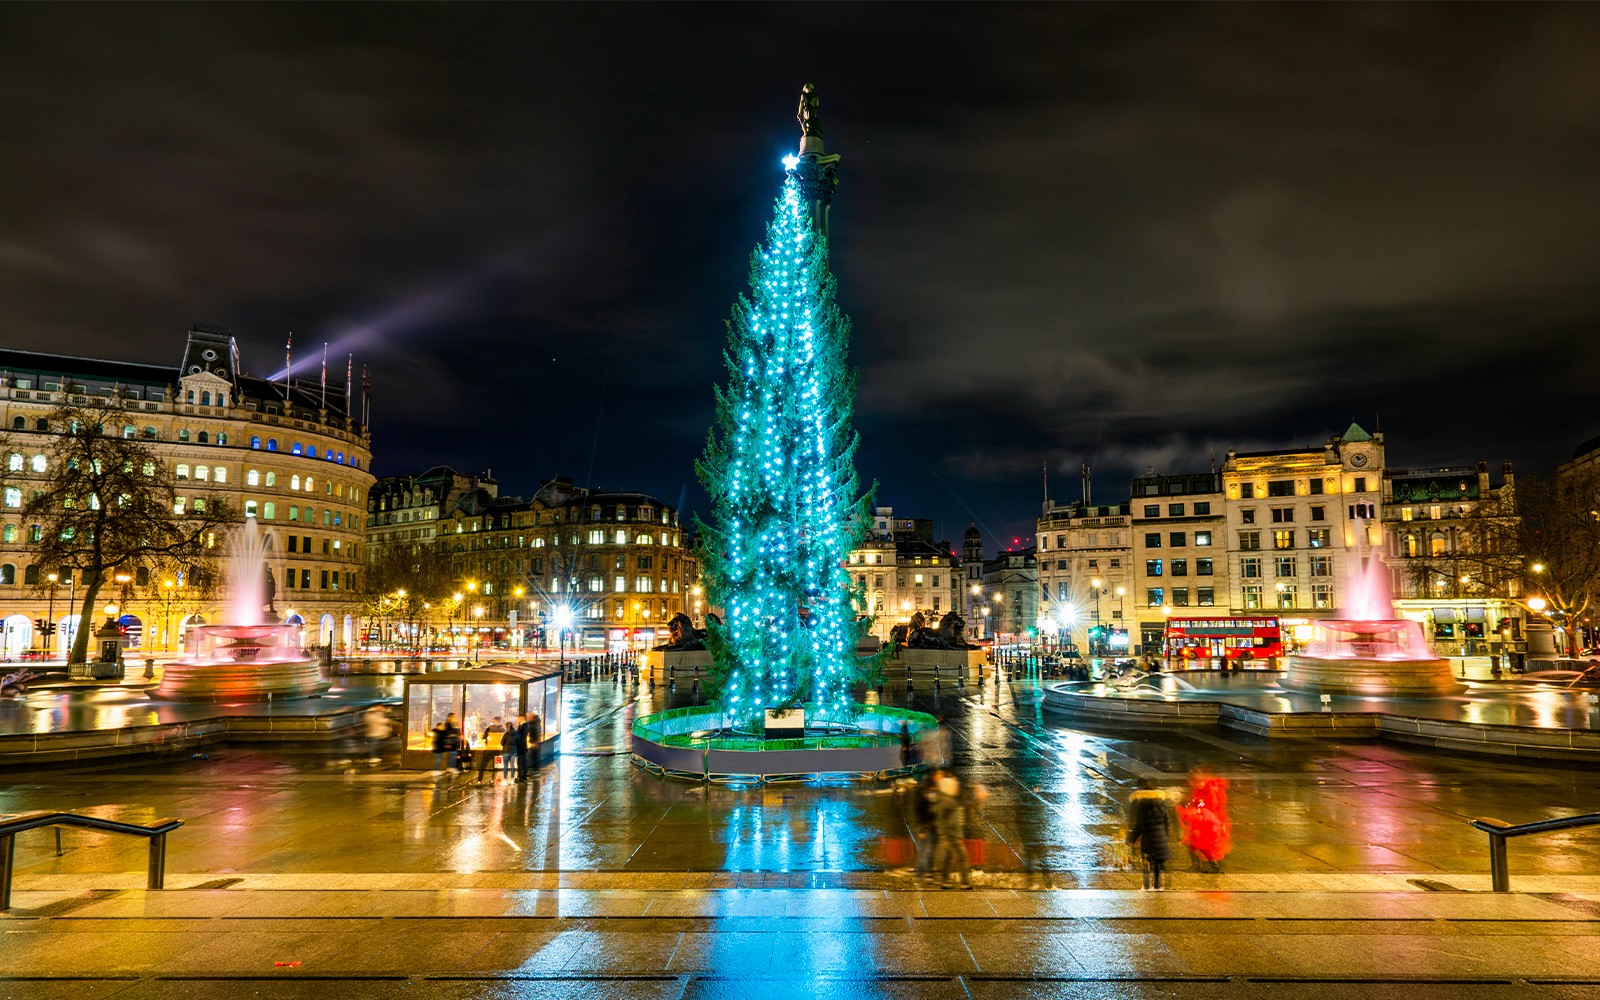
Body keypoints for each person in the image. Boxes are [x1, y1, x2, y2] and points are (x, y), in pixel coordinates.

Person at [1177, 773, 1231, 873]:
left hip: (1209, 823)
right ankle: (1200, 865)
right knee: (1193, 844)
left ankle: (1213, 867)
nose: (1192, 785)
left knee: (1205, 846)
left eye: (1193, 782)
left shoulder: (1211, 790)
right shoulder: (1198, 790)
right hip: (1201, 821)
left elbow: (1214, 807)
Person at [1126, 779, 1173, 890]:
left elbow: (1140, 825)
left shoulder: (1142, 804)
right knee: (1158, 863)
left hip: (1148, 839)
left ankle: (1147, 885)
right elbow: (1167, 821)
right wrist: (1166, 835)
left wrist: (1132, 838)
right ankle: (1158, 884)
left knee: (1147, 863)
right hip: (1161, 837)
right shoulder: (1161, 803)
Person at [931, 772, 972, 889]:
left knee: (948, 858)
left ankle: (945, 881)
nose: (955, 787)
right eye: (953, 785)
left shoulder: (945, 799)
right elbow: (945, 816)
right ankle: (964, 883)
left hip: (949, 834)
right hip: (950, 834)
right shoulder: (948, 801)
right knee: (962, 857)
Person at [907, 771, 937, 884]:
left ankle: (926, 873)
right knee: (925, 851)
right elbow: (920, 812)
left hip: (929, 826)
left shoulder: (925, 793)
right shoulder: (923, 794)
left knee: (928, 851)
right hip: (925, 826)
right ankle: (920, 875)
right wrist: (922, 828)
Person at [476, 716, 507, 783]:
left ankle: (479, 779)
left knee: (483, 765)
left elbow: (484, 738)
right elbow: (503, 740)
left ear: (494, 720)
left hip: (489, 749)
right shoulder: (502, 729)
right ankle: (493, 779)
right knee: (495, 766)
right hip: (498, 750)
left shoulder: (489, 728)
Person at [519, 712, 544, 780]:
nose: (527, 717)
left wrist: (533, 741)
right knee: (535, 757)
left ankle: (535, 771)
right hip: (535, 742)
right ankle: (535, 771)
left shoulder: (533, 724)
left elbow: (534, 733)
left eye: (528, 716)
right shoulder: (536, 723)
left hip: (534, 742)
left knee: (535, 757)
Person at [504, 713, 526, 782]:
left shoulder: (524, 726)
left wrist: (519, 746)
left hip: (520, 748)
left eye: (518, 718)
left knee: (520, 762)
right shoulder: (523, 726)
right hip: (520, 747)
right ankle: (522, 776)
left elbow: (521, 738)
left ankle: (521, 777)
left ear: (521, 718)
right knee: (521, 762)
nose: (517, 720)